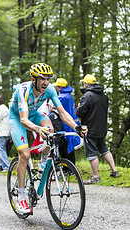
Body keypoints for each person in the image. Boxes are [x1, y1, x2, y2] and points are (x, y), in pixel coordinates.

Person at [8, 63, 87, 215]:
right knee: (24, 154)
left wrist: (77, 127)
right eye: (42, 79)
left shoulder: (50, 90)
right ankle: (22, 197)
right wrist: (38, 129)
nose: (46, 82)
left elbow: (62, 113)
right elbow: (23, 120)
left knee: (51, 131)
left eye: (48, 79)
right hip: (17, 119)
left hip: (35, 114)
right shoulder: (23, 90)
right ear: (33, 79)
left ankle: (43, 165)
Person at [76, 74, 120, 184]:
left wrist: (78, 107)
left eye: (84, 83)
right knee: (104, 149)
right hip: (102, 128)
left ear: (86, 83)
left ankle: (95, 177)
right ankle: (114, 170)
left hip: (89, 129)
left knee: (91, 154)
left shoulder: (87, 96)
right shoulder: (104, 95)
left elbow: (80, 113)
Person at [53, 78, 81, 165]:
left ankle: (67, 167)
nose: (56, 88)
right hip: (72, 121)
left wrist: (52, 107)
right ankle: (72, 167)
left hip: (65, 123)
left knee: (64, 145)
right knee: (70, 144)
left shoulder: (62, 97)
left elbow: (56, 107)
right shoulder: (69, 95)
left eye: (57, 87)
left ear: (60, 87)